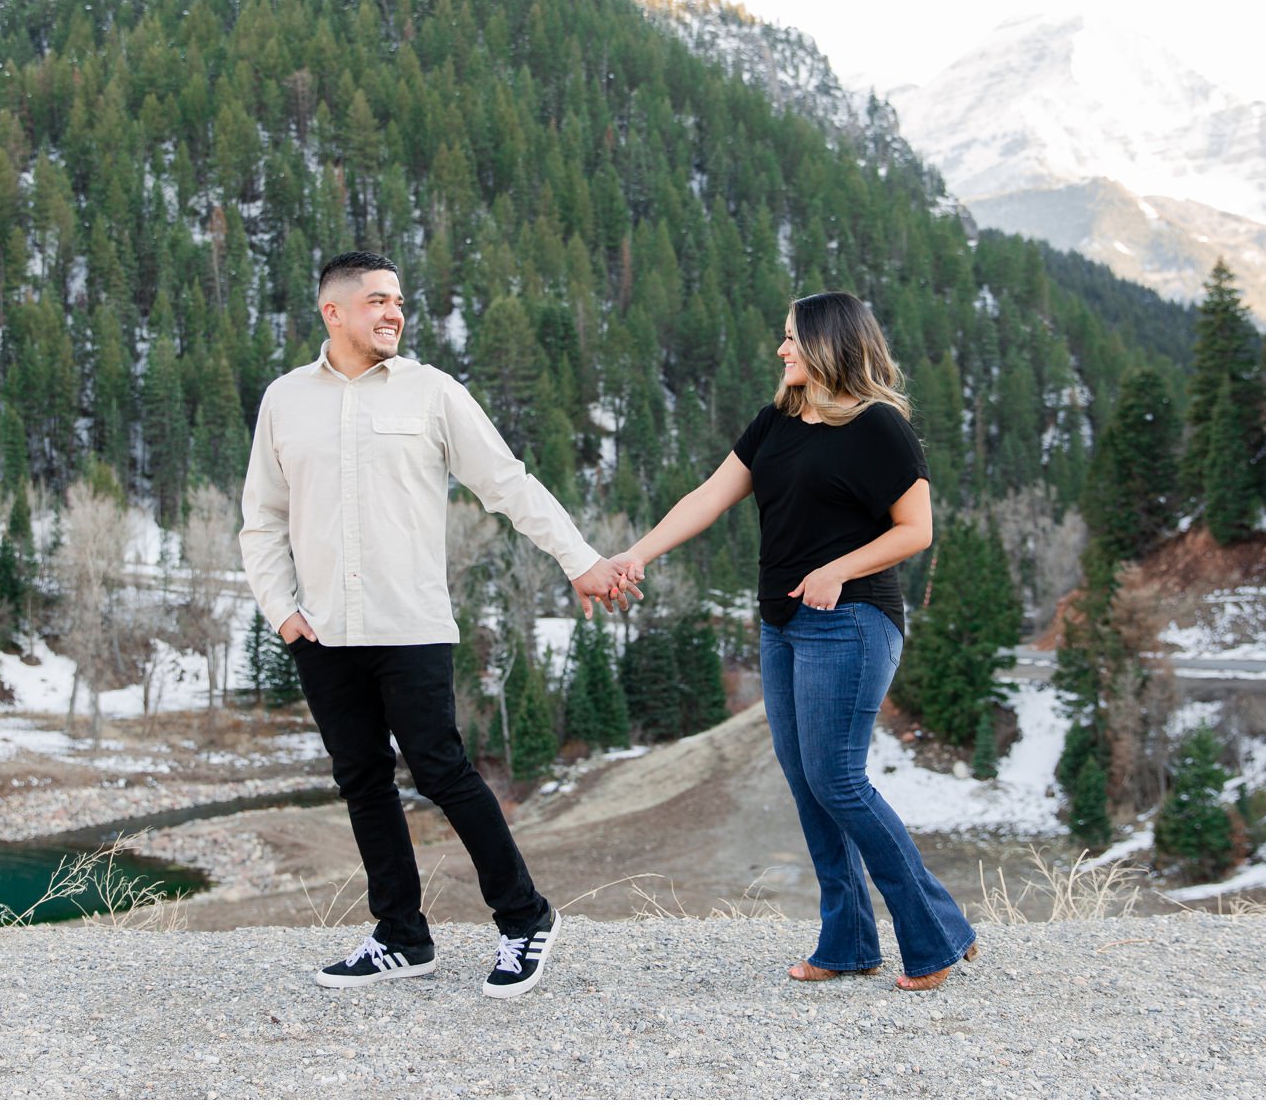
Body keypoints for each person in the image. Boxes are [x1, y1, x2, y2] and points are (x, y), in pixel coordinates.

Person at [240, 250, 634, 999]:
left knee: (441, 770)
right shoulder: (285, 400)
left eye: (398, 302)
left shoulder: (432, 393)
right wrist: (282, 612)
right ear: (334, 312)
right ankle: (401, 936)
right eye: (377, 301)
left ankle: (525, 919)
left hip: (410, 622)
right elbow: (261, 519)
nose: (393, 313)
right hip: (321, 630)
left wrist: (577, 559)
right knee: (361, 781)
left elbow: (508, 483)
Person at [611, 291, 979, 990]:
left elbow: (916, 530)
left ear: (829, 345)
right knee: (811, 787)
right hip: (781, 625)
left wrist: (836, 569)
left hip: (852, 620)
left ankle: (933, 934)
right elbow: (708, 496)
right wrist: (639, 554)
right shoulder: (777, 420)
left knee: (838, 780)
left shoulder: (879, 428)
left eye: (791, 339)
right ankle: (847, 942)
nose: (781, 351)